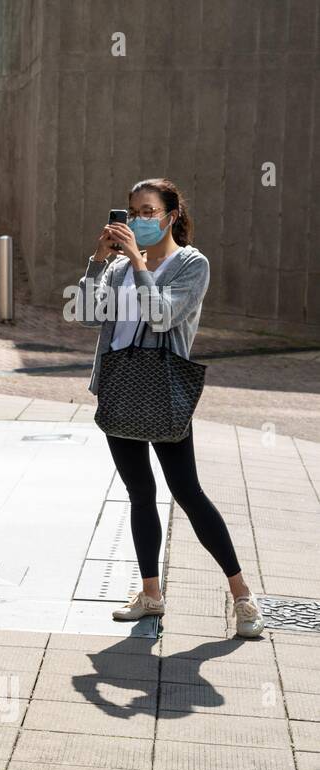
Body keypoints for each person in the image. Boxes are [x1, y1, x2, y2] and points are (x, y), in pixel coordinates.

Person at [76, 177, 263, 638]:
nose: (138, 221)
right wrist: (99, 262)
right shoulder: (117, 267)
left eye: (147, 212)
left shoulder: (191, 265)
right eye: (132, 213)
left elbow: (161, 315)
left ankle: (242, 596)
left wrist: (139, 263)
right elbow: (85, 313)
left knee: (187, 491)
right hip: (119, 385)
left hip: (162, 389)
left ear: (171, 215)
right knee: (140, 494)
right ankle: (151, 594)